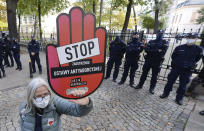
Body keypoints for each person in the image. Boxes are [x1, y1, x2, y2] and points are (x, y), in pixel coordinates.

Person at [19, 77, 93, 130]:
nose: (43, 98)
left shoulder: (55, 103)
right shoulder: (24, 108)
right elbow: (23, 126)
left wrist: (86, 103)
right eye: (38, 96)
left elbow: (77, 111)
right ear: (31, 96)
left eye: (45, 94)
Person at [160, 33, 203, 105]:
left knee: (183, 85)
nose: (191, 39)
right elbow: (173, 56)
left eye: (193, 38)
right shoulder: (179, 47)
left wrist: (189, 64)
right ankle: (165, 93)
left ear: (196, 39)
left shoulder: (199, 49)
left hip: (187, 70)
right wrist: (177, 63)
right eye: (189, 37)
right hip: (176, 68)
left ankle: (179, 98)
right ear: (187, 38)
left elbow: (197, 58)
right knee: (170, 82)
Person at [135, 30, 169, 94]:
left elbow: (163, 52)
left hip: (157, 61)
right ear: (156, 34)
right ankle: (140, 85)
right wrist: (157, 50)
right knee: (144, 74)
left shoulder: (165, 42)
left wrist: (152, 50)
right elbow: (146, 49)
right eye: (159, 33)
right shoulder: (151, 41)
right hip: (148, 60)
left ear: (163, 34)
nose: (160, 34)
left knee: (154, 76)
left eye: (161, 33)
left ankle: (152, 88)